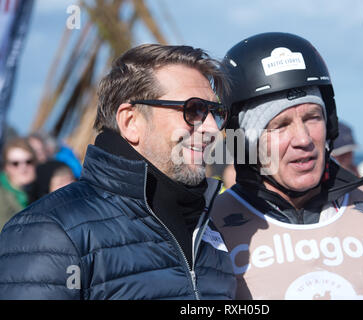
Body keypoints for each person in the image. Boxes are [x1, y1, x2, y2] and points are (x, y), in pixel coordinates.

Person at [210, 32, 363, 300]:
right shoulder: (213, 226)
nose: (304, 139)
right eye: (281, 125)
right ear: (246, 142)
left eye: (312, 117)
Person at [0, 44, 236, 299]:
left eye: (216, 112)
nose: (212, 129)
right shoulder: (50, 232)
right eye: (194, 110)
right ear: (130, 122)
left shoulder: (207, 231)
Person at [0, 137, 36, 230]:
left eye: (28, 162)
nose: (23, 168)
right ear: (6, 167)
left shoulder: (36, 191)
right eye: (15, 163)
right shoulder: (2, 197)